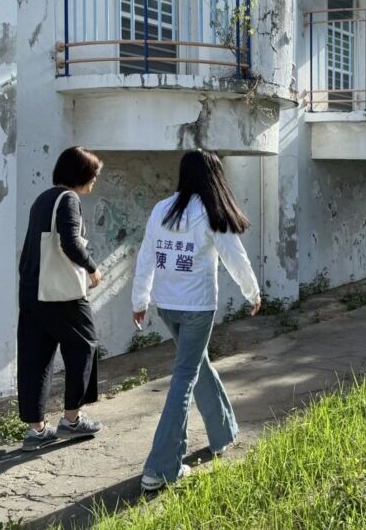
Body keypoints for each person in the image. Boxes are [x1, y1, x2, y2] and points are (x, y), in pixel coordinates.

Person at [132, 150, 262, 491]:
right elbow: (236, 257)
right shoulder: (209, 212)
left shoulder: (161, 209)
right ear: (213, 177)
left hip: (167, 307)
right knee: (185, 377)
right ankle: (160, 469)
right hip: (197, 308)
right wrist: (253, 293)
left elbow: (147, 256)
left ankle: (224, 433)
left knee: (197, 365)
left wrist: (140, 300)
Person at [17, 146, 105, 452]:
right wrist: (92, 268)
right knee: (86, 344)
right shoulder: (69, 199)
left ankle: (36, 429)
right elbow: (69, 243)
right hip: (60, 292)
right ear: (80, 174)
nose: (95, 181)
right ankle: (72, 418)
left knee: (36, 357)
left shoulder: (43, 198)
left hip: (31, 289)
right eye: (94, 175)